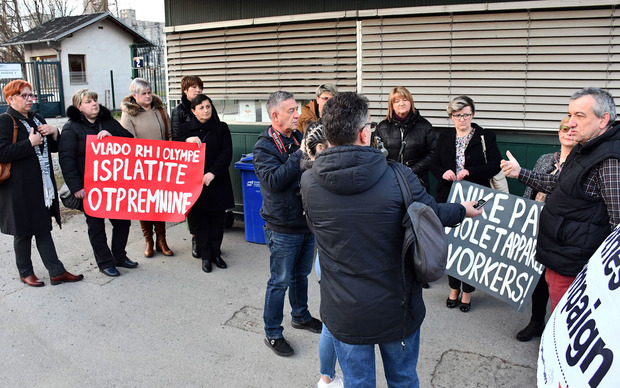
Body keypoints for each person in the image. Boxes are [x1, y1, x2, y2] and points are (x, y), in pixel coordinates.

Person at [301, 92, 481, 387]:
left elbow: (314, 226)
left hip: (344, 309)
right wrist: (463, 210)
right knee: (403, 380)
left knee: (357, 382)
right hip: (397, 307)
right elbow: (432, 214)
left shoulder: (309, 181)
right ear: (363, 133)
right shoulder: (399, 177)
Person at [502, 87, 620, 312]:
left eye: (580, 115)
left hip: (575, 262)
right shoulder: (585, 148)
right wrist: (520, 173)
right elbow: (559, 185)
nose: (571, 122)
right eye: (570, 114)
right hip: (560, 253)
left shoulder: (609, 160)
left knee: (567, 317)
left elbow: (618, 224)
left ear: (604, 119)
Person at [253, 90, 322, 357]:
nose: (297, 115)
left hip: (305, 221)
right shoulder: (264, 146)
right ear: (275, 115)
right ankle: (272, 333)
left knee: (300, 275)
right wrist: (300, 156)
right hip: (282, 226)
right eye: (292, 111)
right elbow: (273, 181)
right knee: (279, 281)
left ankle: (301, 315)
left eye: (296, 110)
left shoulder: (296, 138)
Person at [0, 79, 83, 287]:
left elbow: (50, 149)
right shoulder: (5, 120)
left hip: (41, 184)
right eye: (24, 96)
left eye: (31, 95)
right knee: (23, 231)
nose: (30, 99)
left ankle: (56, 271)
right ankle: (25, 272)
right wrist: (28, 143)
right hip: (17, 187)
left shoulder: (36, 117)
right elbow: (2, 153)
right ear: (11, 99)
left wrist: (55, 133)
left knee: (42, 227)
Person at [429, 95, 502, 312]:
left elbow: (496, 165)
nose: (463, 119)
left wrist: (471, 172)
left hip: (476, 195)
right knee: (451, 243)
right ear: (451, 117)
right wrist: (444, 172)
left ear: (473, 114)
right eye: (458, 115)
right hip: (449, 195)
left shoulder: (484, 136)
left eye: (467, 114)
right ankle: (453, 288)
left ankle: (468, 292)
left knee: (472, 244)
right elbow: (434, 164)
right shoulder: (444, 137)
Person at [59, 88, 136, 277]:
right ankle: (105, 262)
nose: (94, 104)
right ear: (79, 107)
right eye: (88, 101)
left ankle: (119, 255)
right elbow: (66, 160)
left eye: (94, 100)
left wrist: (113, 137)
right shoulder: (71, 128)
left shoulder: (108, 122)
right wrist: (76, 187)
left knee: (122, 222)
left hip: (113, 185)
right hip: (89, 186)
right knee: (96, 226)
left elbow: (130, 141)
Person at [515, 117, 577, 341]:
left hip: (563, 232)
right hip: (536, 226)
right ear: (558, 132)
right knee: (537, 277)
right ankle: (536, 321)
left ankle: (558, 330)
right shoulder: (544, 159)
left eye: (573, 128)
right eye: (564, 128)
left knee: (560, 282)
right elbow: (530, 190)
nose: (568, 132)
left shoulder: (582, 163)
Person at [300, 122, 342, 388]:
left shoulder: (310, 176)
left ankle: (327, 376)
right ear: (321, 148)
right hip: (332, 259)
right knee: (334, 325)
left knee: (332, 322)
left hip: (325, 256)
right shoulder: (322, 178)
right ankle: (327, 377)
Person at [178, 94, 233, 273]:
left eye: (208, 106)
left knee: (217, 220)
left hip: (217, 181)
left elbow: (226, 153)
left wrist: (213, 173)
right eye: (201, 107)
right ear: (193, 111)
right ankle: (206, 257)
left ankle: (217, 253)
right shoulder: (186, 129)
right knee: (200, 221)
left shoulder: (221, 127)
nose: (206, 110)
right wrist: (186, 141)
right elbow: (175, 151)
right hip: (195, 183)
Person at [120, 78, 174, 258]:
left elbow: (169, 135)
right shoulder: (129, 114)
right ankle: (148, 241)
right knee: (144, 205)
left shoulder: (160, 110)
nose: (148, 96)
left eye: (149, 92)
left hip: (162, 164)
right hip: (141, 166)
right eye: (143, 93)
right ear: (135, 96)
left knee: (159, 202)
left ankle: (162, 240)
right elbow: (129, 140)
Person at [375, 86, 436, 192]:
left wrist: (412, 170)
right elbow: (375, 154)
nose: (401, 103)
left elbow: (433, 153)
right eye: (397, 101)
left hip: (417, 181)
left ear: (410, 102)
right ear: (391, 105)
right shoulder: (382, 127)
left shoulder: (424, 126)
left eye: (405, 99)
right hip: (390, 182)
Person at [171, 75, 204, 259]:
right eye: (193, 87)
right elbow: (175, 139)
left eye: (199, 87)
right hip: (189, 163)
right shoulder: (180, 110)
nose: (197, 90)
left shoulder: (206, 105)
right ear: (185, 90)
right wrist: (187, 140)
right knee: (193, 202)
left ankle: (208, 239)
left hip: (206, 160)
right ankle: (195, 238)